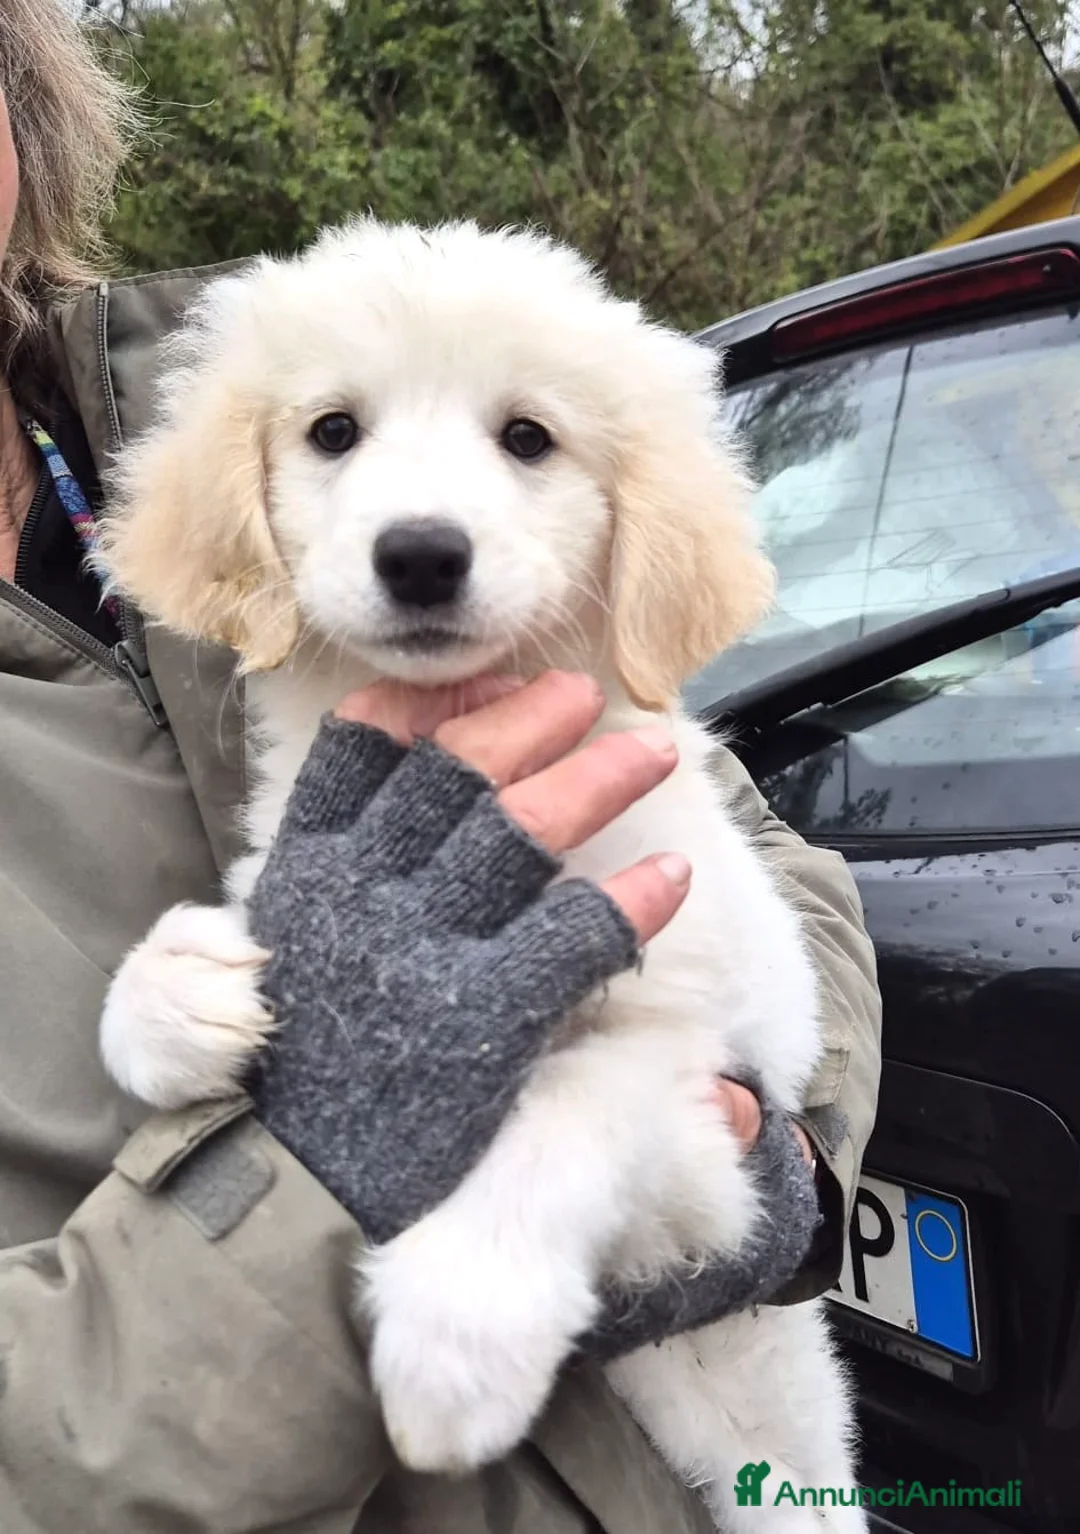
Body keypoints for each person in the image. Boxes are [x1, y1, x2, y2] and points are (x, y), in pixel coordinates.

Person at [0, 4, 882, 1531]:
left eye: (526, 439)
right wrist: (254, 1098)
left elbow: (763, 926)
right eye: (338, 435)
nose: (422, 516)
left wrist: (783, 1149)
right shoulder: (239, 441)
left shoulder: (235, 354)